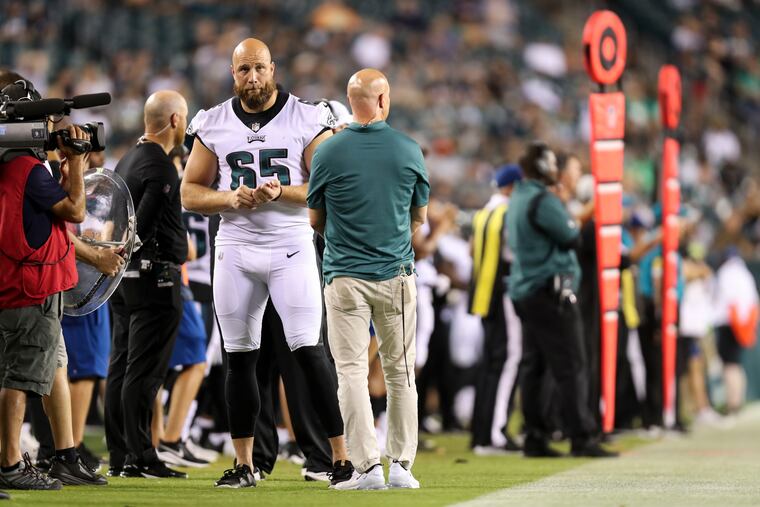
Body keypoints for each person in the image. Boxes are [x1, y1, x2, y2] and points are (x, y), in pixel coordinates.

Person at [180, 38, 351, 489]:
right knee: (240, 359)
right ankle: (245, 464)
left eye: (258, 68)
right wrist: (227, 197)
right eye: (243, 70)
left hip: (291, 246)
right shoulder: (213, 121)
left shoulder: (306, 116)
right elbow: (189, 192)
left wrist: (283, 192)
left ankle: (339, 458)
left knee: (310, 353)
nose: (252, 78)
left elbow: (327, 186)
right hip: (235, 247)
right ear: (232, 73)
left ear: (273, 68)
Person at [307, 68, 430, 490]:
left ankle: (366, 469)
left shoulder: (327, 152)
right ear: (384, 99)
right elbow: (419, 218)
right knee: (401, 373)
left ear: (350, 98)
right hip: (395, 277)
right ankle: (401, 466)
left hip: (343, 277)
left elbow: (315, 219)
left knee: (352, 373)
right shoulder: (409, 150)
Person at [0, 76, 91, 490]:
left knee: (36, 369)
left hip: (25, 285)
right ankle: (11, 464)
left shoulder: (13, 165)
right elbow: (74, 210)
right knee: (18, 379)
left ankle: (59, 457)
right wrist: (75, 163)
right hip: (29, 289)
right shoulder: (28, 168)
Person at [506, 141, 616, 458]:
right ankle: (581, 436)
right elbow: (571, 235)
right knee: (572, 363)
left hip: (526, 290)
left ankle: (535, 436)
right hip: (550, 292)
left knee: (535, 365)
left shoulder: (518, 197)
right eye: (552, 163)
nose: (556, 168)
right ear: (542, 167)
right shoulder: (543, 199)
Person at [105, 90, 189, 479]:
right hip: (154, 278)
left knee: (122, 366)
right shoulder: (160, 165)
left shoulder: (127, 159)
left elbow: (115, 223)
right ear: (174, 120)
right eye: (184, 118)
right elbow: (140, 226)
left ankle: (122, 455)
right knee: (144, 371)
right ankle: (142, 455)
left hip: (124, 280)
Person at [468, 164, 523, 455]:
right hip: (503, 294)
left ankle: (480, 432)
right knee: (508, 360)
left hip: (483, 295)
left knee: (489, 364)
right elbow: (515, 252)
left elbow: (471, 249)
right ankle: (496, 432)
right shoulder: (508, 213)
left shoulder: (483, 213)